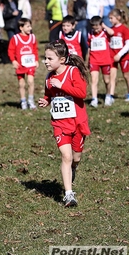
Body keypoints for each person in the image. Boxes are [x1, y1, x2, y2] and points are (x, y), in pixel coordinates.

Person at [38, 39, 90, 207]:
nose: (46, 61)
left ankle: (73, 168)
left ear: (61, 59)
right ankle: (69, 194)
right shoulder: (48, 77)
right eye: (45, 58)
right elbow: (50, 94)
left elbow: (82, 93)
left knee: (75, 157)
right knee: (66, 156)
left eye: (49, 58)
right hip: (60, 123)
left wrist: (63, 85)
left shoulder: (73, 72)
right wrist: (46, 101)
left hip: (77, 122)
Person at [8, 18, 39, 110]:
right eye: (28, 26)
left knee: (30, 81)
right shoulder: (15, 38)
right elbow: (10, 50)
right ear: (21, 28)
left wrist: (36, 60)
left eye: (30, 26)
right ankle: (23, 101)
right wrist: (13, 60)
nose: (30, 28)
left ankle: (31, 100)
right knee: (22, 84)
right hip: (20, 65)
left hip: (30, 64)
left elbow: (35, 49)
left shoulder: (32, 37)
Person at [88, 16, 114, 108]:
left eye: (97, 28)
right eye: (94, 28)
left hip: (105, 61)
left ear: (101, 25)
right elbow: (89, 47)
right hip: (94, 60)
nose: (96, 30)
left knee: (107, 81)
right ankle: (94, 99)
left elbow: (112, 32)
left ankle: (108, 95)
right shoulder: (90, 34)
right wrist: (88, 60)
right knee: (94, 80)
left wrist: (104, 26)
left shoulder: (105, 32)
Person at [108, 8, 129, 105]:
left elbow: (128, 44)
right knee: (112, 76)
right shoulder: (110, 30)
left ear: (118, 18)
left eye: (111, 18)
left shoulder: (124, 29)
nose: (110, 20)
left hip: (124, 57)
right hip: (112, 57)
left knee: (126, 76)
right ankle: (111, 96)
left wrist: (119, 54)